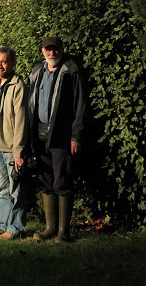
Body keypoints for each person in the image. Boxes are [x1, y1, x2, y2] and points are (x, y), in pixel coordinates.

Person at [28, 36, 88, 242]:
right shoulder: (37, 71)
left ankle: (63, 232)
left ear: (61, 50)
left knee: (62, 179)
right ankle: (49, 228)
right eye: (48, 49)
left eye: (55, 49)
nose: (51, 53)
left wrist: (76, 136)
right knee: (45, 180)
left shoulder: (70, 71)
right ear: (42, 51)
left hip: (61, 136)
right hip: (39, 134)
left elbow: (80, 106)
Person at [0, 47, 28, 240]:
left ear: (12, 63)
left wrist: (18, 150)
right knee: (2, 188)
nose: (0, 65)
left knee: (15, 189)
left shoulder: (18, 85)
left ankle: (16, 227)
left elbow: (21, 120)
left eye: (4, 61)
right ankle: (4, 224)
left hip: (12, 144)